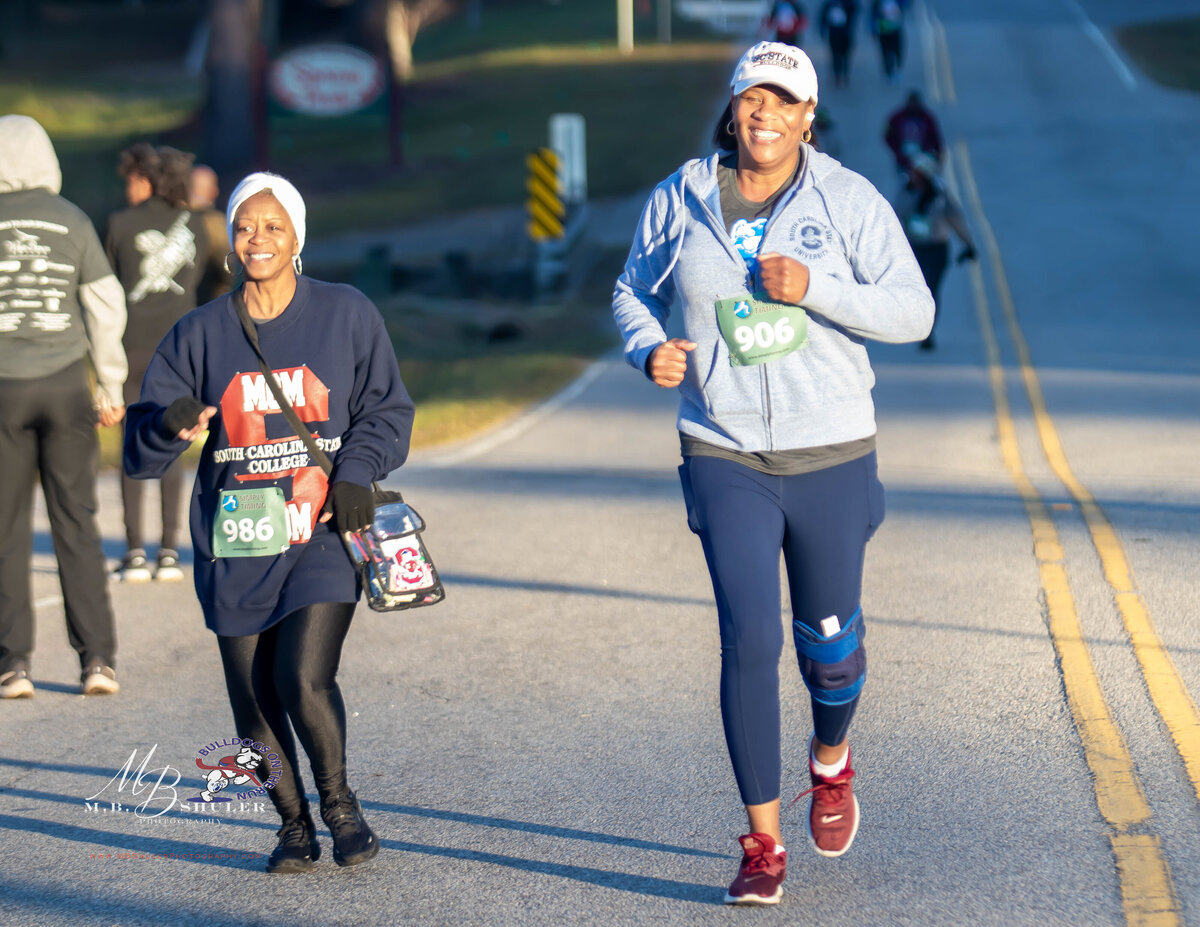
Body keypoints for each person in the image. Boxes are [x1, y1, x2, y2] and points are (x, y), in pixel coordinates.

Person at [612, 43, 933, 905]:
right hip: (723, 449)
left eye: (781, 102)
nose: (763, 115)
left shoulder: (848, 199)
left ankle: (831, 762)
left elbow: (914, 309)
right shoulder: (679, 198)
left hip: (831, 448)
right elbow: (630, 293)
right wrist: (651, 350)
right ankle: (762, 841)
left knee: (828, 648)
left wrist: (818, 287)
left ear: (806, 117)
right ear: (734, 108)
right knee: (750, 638)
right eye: (751, 99)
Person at [124, 172, 415, 872]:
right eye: (245, 226)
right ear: (230, 239)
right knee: (252, 699)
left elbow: (387, 412)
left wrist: (352, 474)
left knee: (300, 676)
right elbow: (139, 446)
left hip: (318, 529)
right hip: (236, 541)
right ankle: (293, 826)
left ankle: (340, 807)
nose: (257, 238)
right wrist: (169, 420)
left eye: (273, 225)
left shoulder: (346, 314)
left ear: (297, 239)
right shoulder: (198, 333)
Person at [0, 115, 128, 699]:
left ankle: (13, 665)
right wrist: (111, 384)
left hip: (4, 388)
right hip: (65, 385)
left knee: (6, 530)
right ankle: (97, 660)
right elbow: (104, 303)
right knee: (76, 521)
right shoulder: (72, 218)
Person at [105, 143, 206, 583]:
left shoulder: (119, 224)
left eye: (131, 180)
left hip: (131, 349)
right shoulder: (199, 225)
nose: (128, 188)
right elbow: (208, 279)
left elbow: (107, 291)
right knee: (174, 441)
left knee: (133, 444)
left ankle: (133, 552)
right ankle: (169, 549)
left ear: (144, 180)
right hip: (180, 350)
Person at [892, 152, 976, 350]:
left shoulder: (940, 195)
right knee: (915, 290)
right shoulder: (906, 192)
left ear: (926, 174)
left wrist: (968, 244)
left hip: (936, 250)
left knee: (931, 290)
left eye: (917, 172)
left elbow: (957, 220)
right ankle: (917, 324)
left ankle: (927, 332)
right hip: (913, 249)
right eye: (912, 171)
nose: (912, 174)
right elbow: (893, 218)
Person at [189, 164, 234, 305]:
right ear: (214, 191)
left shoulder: (170, 221)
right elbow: (228, 267)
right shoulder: (217, 224)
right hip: (208, 303)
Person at [884, 89, 943, 171]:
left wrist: (938, 152)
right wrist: (897, 150)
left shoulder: (926, 118)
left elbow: (934, 136)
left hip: (923, 158)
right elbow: (887, 135)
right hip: (904, 160)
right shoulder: (897, 118)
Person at [819, 0, 856, 87]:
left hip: (845, 34)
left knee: (845, 55)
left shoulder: (848, 3)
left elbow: (854, 11)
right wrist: (822, 30)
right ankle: (837, 75)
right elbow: (823, 17)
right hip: (834, 34)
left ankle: (845, 74)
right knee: (835, 55)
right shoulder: (829, 4)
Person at [869, 0, 906, 84]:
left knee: (897, 51)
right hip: (883, 31)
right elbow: (873, 15)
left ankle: (897, 70)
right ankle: (887, 73)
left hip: (895, 30)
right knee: (885, 53)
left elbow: (905, 4)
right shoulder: (878, 2)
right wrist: (873, 32)